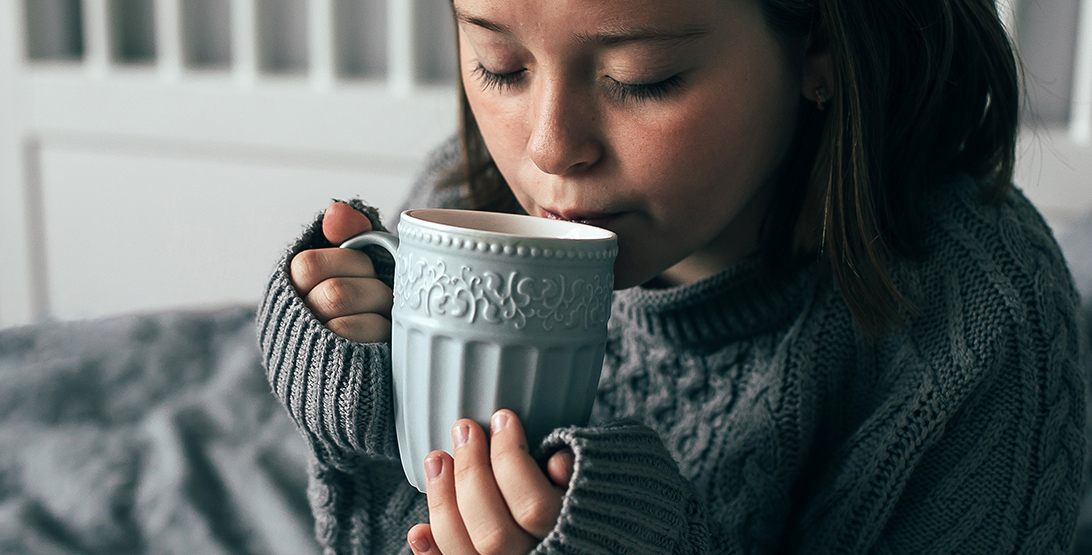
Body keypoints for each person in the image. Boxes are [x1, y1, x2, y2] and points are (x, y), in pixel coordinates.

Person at [257, 0, 1089, 552]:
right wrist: (364, 425)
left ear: (822, 44)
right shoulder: (460, 211)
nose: (548, 148)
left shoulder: (980, 321)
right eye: (501, 65)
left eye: (640, 78)